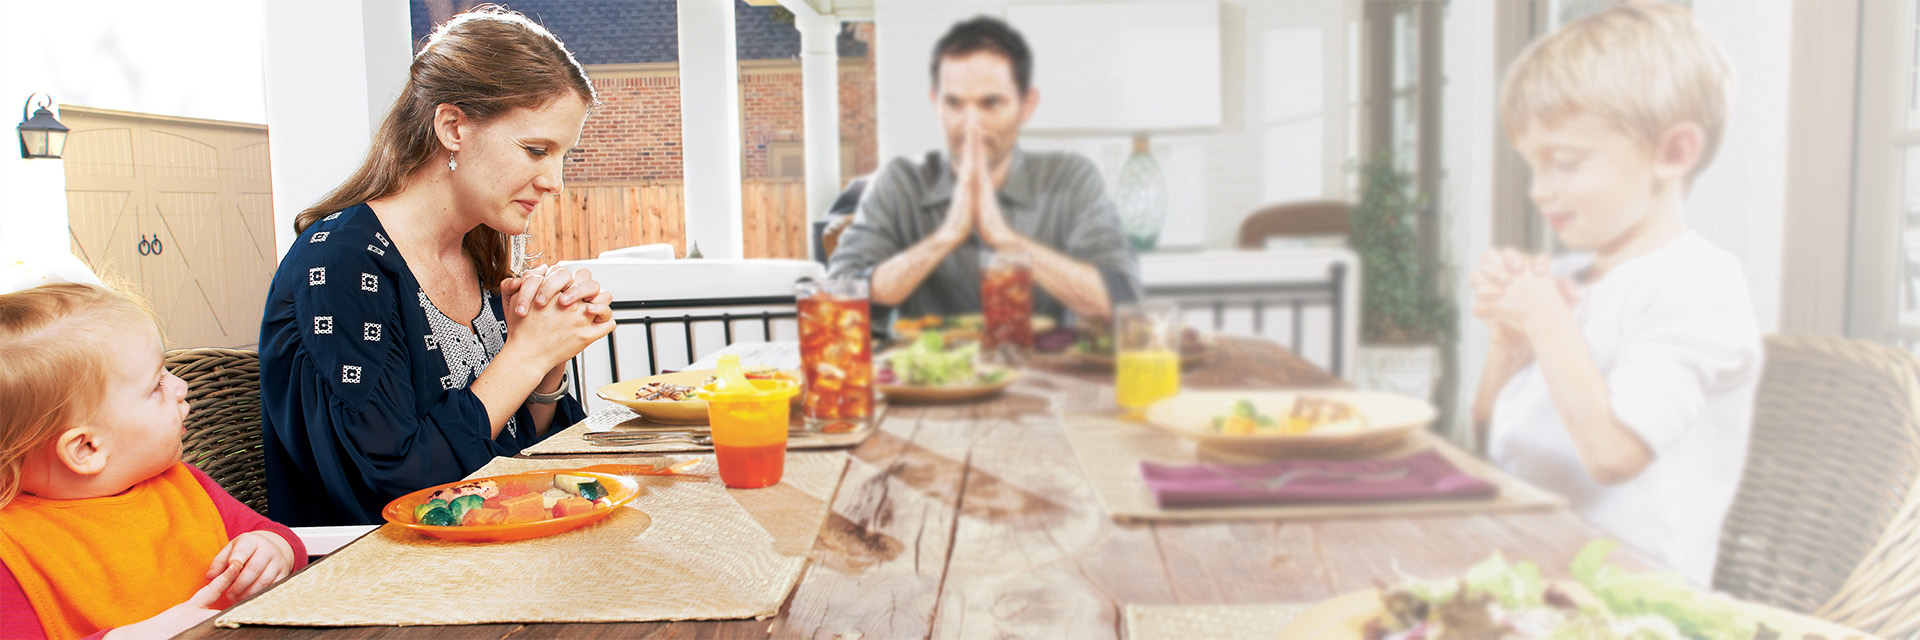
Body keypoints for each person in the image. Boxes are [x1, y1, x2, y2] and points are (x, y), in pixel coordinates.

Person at [259, 7, 615, 526]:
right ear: (452, 126)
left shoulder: (478, 251)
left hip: (508, 557)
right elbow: (403, 490)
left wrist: (547, 358)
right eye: (536, 150)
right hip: (390, 585)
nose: (554, 182)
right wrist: (525, 353)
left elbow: (524, 454)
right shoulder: (337, 263)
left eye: (564, 156)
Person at [1469, 2, 1762, 586]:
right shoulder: (1574, 276)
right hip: (1525, 581)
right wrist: (1509, 345)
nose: (1539, 190)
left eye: (1566, 162)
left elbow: (1612, 456)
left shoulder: (1698, 285)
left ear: (1673, 153)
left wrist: (1547, 321)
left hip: (1631, 607)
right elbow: (1485, 445)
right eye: (1533, 166)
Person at [0, 283, 308, 639]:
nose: (181, 387)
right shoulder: (12, 552)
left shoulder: (183, 484)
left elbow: (274, 535)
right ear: (85, 448)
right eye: (156, 385)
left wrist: (275, 550)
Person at [826, 16, 1142, 325]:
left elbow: (1120, 298)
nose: (971, 123)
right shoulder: (900, 181)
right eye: (955, 104)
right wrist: (945, 237)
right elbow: (839, 292)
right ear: (936, 104)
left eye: (990, 103)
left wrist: (1005, 238)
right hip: (933, 375)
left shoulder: (1071, 177)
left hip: (1043, 374)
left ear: (1026, 105)